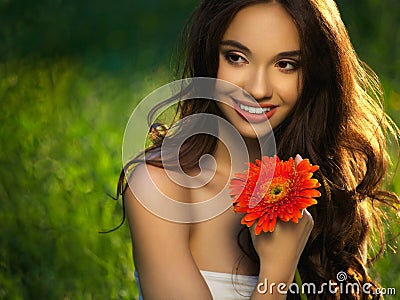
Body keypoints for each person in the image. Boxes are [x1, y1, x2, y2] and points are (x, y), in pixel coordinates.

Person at [117, 0, 400, 299]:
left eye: (285, 64)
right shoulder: (161, 187)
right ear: (209, 58)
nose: (258, 89)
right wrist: (277, 271)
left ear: (316, 75)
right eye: (237, 58)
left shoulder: (322, 181)